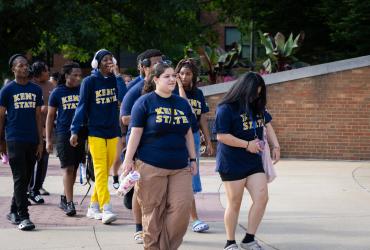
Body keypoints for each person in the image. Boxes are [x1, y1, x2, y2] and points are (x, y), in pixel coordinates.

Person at [122, 62, 197, 249]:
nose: (172, 79)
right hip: (150, 165)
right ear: (155, 79)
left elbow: (188, 132)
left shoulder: (182, 103)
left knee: (182, 208)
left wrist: (193, 158)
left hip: (180, 166)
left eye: (174, 76)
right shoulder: (144, 102)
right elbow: (135, 133)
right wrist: (128, 160)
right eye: (167, 76)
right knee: (153, 213)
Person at [214, 72, 280, 250]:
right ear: (243, 89)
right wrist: (246, 144)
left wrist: (276, 146)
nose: (256, 97)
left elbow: (267, 124)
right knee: (234, 202)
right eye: (253, 93)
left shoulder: (257, 105)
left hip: (253, 161)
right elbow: (221, 136)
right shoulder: (226, 108)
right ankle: (230, 242)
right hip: (231, 161)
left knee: (262, 198)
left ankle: (249, 239)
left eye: (259, 93)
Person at [70, 49, 121, 224]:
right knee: (100, 169)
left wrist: (118, 75)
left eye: (110, 59)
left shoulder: (115, 79)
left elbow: (122, 96)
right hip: (96, 132)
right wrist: (75, 130)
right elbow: (82, 106)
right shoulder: (89, 81)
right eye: (105, 60)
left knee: (105, 171)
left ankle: (93, 206)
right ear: (97, 64)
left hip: (112, 131)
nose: (108, 62)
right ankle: (106, 207)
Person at [120, 49, 163, 244]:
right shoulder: (136, 88)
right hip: (139, 147)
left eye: (162, 61)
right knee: (140, 191)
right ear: (144, 67)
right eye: (155, 63)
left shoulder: (165, 88)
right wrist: (146, 117)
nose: (159, 65)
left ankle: (156, 227)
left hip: (160, 147)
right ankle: (139, 228)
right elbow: (124, 118)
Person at [0, 54, 43, 230]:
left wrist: (40, 142)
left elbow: (38, 117)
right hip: (14, 138)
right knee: (20, 177)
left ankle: (13, 210)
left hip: (32, 139)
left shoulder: (36, 89)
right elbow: (1, 117)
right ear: (13, 69)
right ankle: (24, 217)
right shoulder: (7, 90)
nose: (25, 67)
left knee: (25, 179)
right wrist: (1, 141)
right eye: (20, 65)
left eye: (26, 65)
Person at [175, 58, 214, 233]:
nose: (184, 76)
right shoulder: (173, 91)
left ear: (194, 75)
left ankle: (192, 219)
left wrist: (208, 140)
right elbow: (184, 107)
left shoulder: (198, 93)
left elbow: (202, 118)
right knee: (181, 178)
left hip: (195, 138)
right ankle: (194, 218)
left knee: (191, 176)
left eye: (188, 74)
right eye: (181, 73)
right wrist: (180, 87)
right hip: (177, 138)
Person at [46, 62, 84, 216]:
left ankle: (64, 197)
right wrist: (48, 140)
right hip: (63, 134)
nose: (78, 78)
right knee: (67, 168)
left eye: (79, 75)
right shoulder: (57, 92)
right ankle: (69, 203)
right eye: (74, 75)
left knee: (74, 169)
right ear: (66, 76)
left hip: (81, 133)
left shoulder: (83, 90)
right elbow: (50, 117)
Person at [28, 61, 55, 203]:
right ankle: (28, 189)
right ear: (38, 74)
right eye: (46, 71)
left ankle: (36, 189)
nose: (48, 73)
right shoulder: (30, 86)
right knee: (31, 161)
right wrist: (41, 108)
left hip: (47, 130)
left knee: (43, 161)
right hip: (32, 130)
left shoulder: (51, 86)